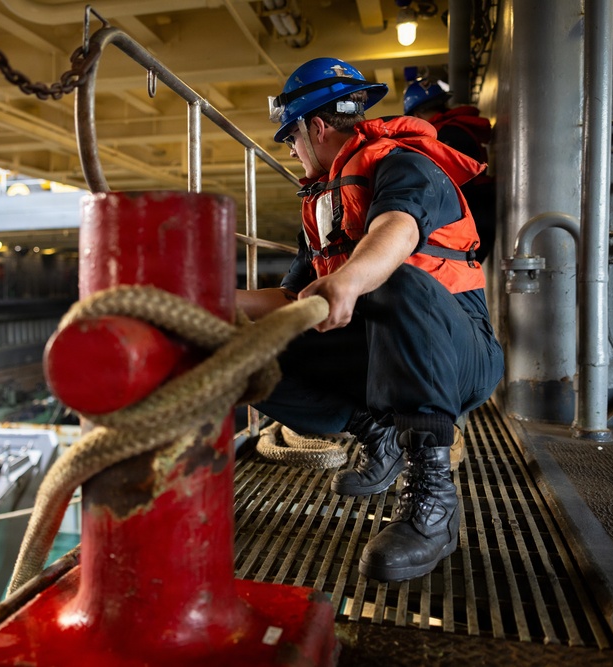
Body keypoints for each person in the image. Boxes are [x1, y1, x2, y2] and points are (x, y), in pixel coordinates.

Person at [238, 58, 504, 582]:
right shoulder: (323, 203)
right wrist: (216, 302)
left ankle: (433, 502)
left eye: (290, 138)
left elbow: (397, 232)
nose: (290, 151)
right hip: (382, 352)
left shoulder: (403, 164)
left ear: (314, 127)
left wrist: (352, 279)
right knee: (239, 354)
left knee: (395, 278)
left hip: (457, 354)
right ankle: (377, 432)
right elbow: (293, 297)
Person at [403, 79, 497, 263]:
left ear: (417, 114)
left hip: (468, 217)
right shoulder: (455, 129)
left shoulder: (444, 135)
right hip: (478, 213)